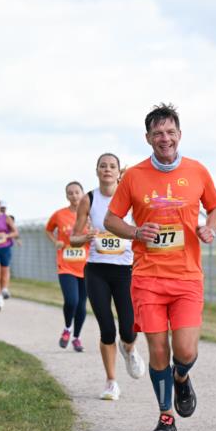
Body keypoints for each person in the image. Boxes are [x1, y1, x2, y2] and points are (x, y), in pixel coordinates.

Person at [105, 103, 216, 431]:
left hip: (186, 276)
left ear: (179, 135)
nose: (165, 138)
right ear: (148, 138)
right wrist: (135, 232)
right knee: (158, 350)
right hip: (147, 277)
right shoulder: (134, 176)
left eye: (170, 132)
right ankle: (166, 417)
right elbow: (112, 219)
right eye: (158, 133)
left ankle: (181, 378)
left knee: (184, 351)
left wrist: (210, 228)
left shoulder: (197, 171)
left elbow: (215, 207)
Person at [72, 155, 145, 400]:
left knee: (128, 328)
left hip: (124, 270)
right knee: (106, 329)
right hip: (97, 270)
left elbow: (142, 227)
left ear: (117, 172)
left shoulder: (130, 197)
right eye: (103, 166)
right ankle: (111, 382)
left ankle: (130, 349)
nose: (107, 170)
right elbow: (73, 237)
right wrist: (87, 237)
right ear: (97, 171)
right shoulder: (88, 199)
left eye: (112, 166)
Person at [45, 182, 90, 352]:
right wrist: (55, 241)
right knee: (72, 300)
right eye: (70, 193)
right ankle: (67, 328)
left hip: (86, 266)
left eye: (77, 192)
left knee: (81, 305)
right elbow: (49, 230)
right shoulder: (59, 214)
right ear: (67, 196)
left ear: (82, 194)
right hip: (65, 265)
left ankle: (76, 338)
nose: (74, 196)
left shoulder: (90, 215)